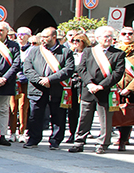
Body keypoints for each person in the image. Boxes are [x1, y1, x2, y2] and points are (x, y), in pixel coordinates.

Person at [69, 26, 125, 154]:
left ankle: (102, 144)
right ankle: (79, 142)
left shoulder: (118, 53)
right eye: (106, 36)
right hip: (88, 89)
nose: (108, 39)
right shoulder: (89, 51)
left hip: (105, 91)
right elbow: (81, 69)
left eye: (110, 36)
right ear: (98, 38)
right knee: (84, 117)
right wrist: (89, 83)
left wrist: (101, 86)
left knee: (105, 119)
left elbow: (117, 73)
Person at [23, 27, 73, 150]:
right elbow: (27, 68)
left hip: (56, 88)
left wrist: (50, 79)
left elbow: (68, 70)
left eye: (46, 37)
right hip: (37, 88)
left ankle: (55, 140)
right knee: (35, 115)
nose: (43, 39)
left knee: (58, 116)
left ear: (54, 37)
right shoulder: (34, 51)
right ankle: (33, 139)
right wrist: (39, 80)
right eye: (42, 37)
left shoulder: (65, 52)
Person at [11, 26, 34, 140]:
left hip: (25, 81)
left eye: (23, 34)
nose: (20, 36)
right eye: (18, 34)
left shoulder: (32, 49)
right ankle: (12, 131)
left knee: (23, 106)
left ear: (29, 36)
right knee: (13, 107)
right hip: (14, 79)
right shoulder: (13, 47)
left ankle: (22, 131)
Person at [114, 27, 134, 151]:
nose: (127, 35)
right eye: (124, 33)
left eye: (130, 34)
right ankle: (120, 135)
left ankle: (123, 139)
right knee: (117, 113)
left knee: (128, 114)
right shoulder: (115, 50)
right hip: (116, 88)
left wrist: (130, 88)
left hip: (131, 88)